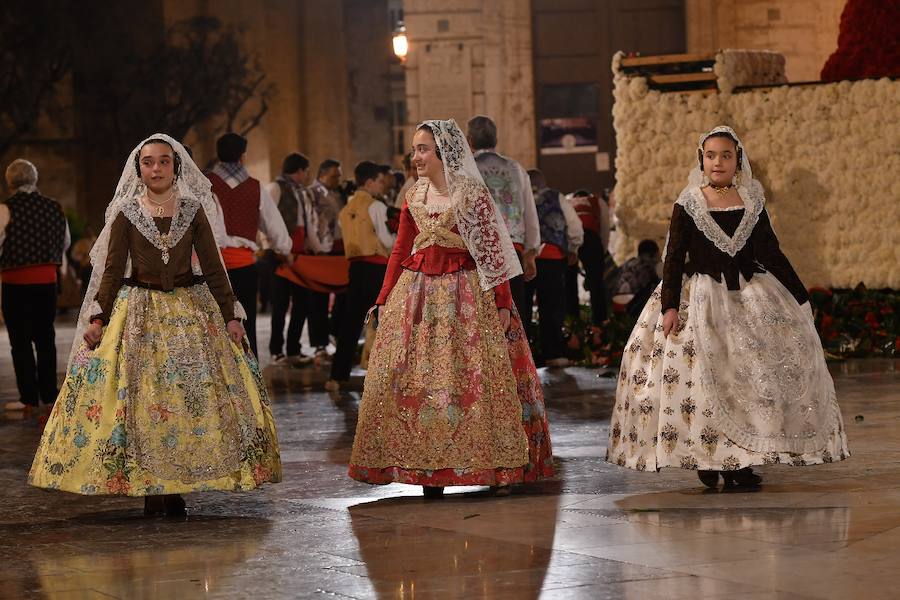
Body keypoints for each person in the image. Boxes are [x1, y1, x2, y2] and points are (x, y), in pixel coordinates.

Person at [29, 134, 282, 515]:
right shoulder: (127, 213)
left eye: (164, 161)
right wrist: (99, 317)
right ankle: (150, 485)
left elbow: (213, 267)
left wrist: (231, 315)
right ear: (139, 169)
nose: (156, 168)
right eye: (149, 162)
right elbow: (112, 270)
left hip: (187, 310)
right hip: (139, 312)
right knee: (143, 399)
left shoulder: (193, 209)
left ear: (175, 166)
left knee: (183, 398)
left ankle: (176, 485)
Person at [606, 125, 848, 488]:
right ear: (701, 160)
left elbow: (771, 253)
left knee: (748, 377)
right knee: (703, 380)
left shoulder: (751, 201)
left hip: (749, 296)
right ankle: (708, 455)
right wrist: (669, 306)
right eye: (710, 155)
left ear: (738, 161)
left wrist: (799, 296)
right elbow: (673, 258)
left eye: (725, 155)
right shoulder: (688, 203)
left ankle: (741, 462)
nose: (717, 162)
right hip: (700, 299)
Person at [349, 119, 554, 497]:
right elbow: (400, 248)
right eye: (414, 149)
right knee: (422, 380)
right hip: (419, 293)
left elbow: (492, 249)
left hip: (466, 293)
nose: (416, 157)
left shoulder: (471, 193)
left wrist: (504, 301)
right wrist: (383, 297)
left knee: (472, 378)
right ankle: (429, 469)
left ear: (444, 153)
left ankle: (492, 463)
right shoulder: (414, 195)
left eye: (423, 149)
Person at [207, 132, 292, 357]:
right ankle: (249, 375)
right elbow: (274, 226)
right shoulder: (255, 187)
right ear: (243, 157)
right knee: (246, 323)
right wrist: (285, 249)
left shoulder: (205, 184)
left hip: (212, 267)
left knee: (214, 323)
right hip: (243, 265)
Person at [1, 159, 70, 413]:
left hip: (15, 283)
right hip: (46, 282)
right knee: (45, 337)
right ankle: (50, 394)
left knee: (19, 340)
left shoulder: (4, 210)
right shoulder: (55, 207)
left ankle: (28, 397)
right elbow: (64, 243)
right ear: (35, 179)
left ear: (10, 182)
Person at [326, 161, 394, 390]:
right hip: (377, 269)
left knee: (351, 323)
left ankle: (337, 375)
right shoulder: (376, 206)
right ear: (370, 182)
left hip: (355, 269)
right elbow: (386, 240)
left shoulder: (345, 210)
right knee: (383, 321)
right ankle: (384, 376)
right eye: (380, 182)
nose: (382, 187)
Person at [467, 115, 540, 321]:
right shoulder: (516, 168)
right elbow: (529, 212)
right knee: (514, 311)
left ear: (469, 140)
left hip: (478, 252)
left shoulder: (466, 169)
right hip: (513, 248)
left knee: (482, 315)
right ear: (496, 140)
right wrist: (531, 252)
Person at [265, 152, 321, 364]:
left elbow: (307, 225)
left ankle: (293, 348)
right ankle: (276, 350)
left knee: (302, 303)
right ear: (299, 170)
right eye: (306, 170)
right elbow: (267, 220)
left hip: (300, 253)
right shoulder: (275, 188)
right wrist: (272, 247)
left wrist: (316, 248)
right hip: (279, 253)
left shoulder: (302, 192)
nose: (307, 175)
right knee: (280, 304)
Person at [525, 169, 583, 367]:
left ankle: (524, 356)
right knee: (552, 306)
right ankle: (554, 353)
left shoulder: (520, 196)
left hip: (524, 258)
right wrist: (573, 247)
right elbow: (574, 226)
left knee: (523, 306)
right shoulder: (555, 196)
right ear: (544, 183)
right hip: (552, 257)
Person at [307, 159, 345, 358]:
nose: (338, 179)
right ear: (322, 174)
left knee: (342, 294)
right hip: (322, 248)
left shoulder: (338, 193)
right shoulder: (312, 193)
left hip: (339, 247)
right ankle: (319, 342)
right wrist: (316, 247)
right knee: (318, 297)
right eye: (334, 176)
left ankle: (334, 332)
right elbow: (310, 220)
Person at [564, 189, 610, 328]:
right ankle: (599, 321)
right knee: (596, 282)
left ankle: (572, 321)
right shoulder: (598, 201)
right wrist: (602, 250)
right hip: (591, 238)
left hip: (569, 238)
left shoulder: (566, 200)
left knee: (569, 283)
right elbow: (605, 226)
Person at [613, 239, 661, 317]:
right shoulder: (647, 267)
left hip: (615, 304)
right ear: (654, 254)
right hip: (629, 308)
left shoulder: (629, 262)